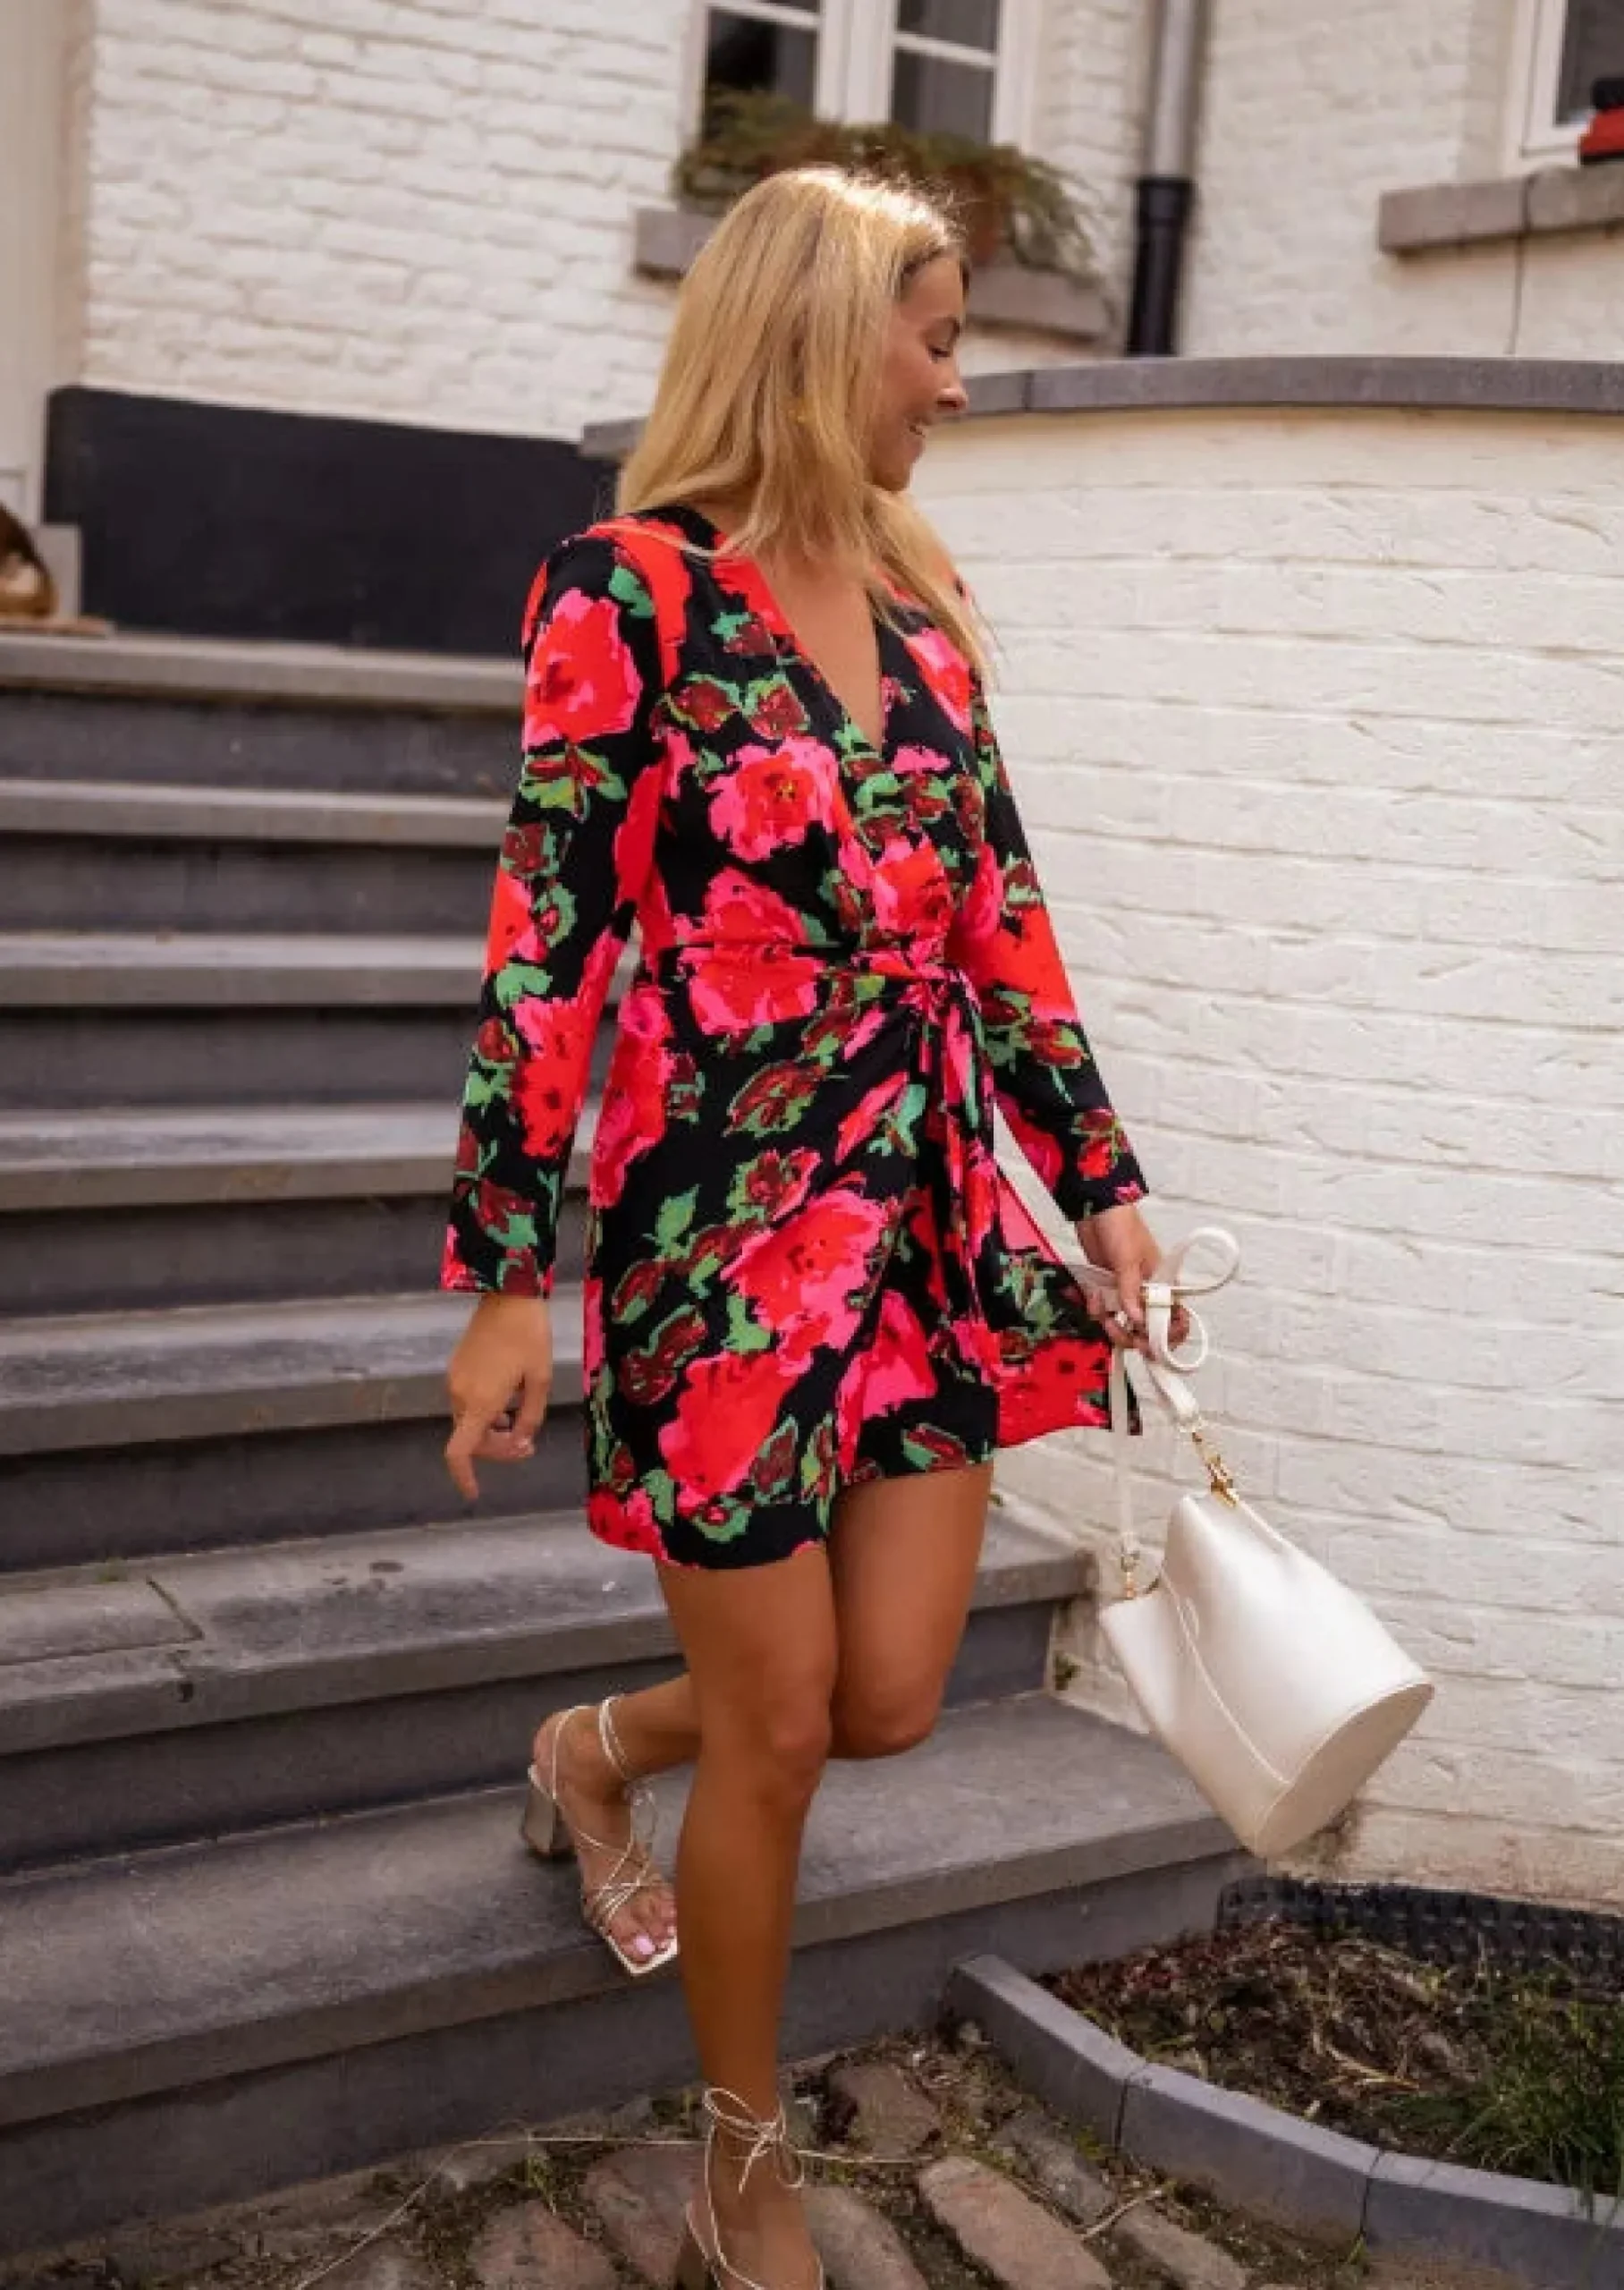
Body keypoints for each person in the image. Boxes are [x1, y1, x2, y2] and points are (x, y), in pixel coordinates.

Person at [442, 165, 1174, 2290]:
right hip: (713, 1231)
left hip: (921, 1221)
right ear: (818, 337)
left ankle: (591, 1743)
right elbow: (547, 945)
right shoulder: (630, 595)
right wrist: (505, 1274)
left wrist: (1101, 1180)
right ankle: (737, 2163)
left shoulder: (930, 622)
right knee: (771, 1723)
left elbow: (1003, 925)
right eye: (931, 340)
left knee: (884, 1697)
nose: (954, 383)